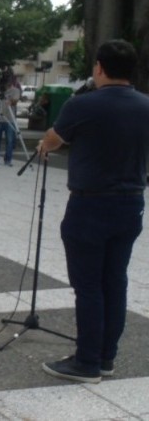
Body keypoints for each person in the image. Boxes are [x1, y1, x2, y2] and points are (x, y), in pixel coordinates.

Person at [38, 40, 149, 384]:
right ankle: (105, 358)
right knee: (114, 281)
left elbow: (53, 140)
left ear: (99, 67)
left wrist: (45, 141)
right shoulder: (146, 105)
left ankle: (86, 362)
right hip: (131, 203)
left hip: (89, 204)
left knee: (88, 286)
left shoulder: (82, 104)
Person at [0, 75, 21, 165]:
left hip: (10, 119)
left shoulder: (15, 90)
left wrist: (10, 100)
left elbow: (15, 101)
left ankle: (8, 160)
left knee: (10, 141)